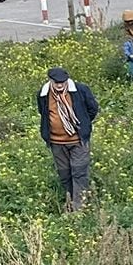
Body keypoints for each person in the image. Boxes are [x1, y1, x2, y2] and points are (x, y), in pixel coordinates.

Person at [36, 67, 99, 209]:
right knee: (64, 173)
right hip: (56, 141)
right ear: (50, 81)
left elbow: (92, 108)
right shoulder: (43, 93)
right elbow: (43, 112)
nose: (59, 85)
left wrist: (83, 124)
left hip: (78, 140)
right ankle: (70, 200)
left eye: (62, 82)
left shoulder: (80, 90)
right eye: (56, 83)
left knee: (79, 171)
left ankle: (79, 207)